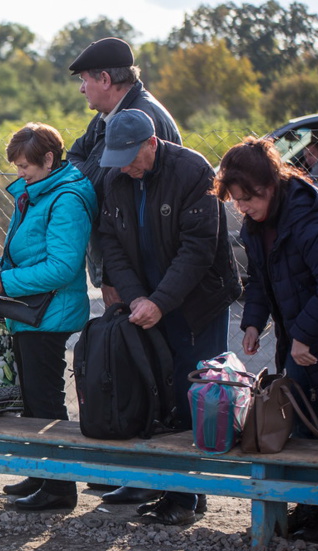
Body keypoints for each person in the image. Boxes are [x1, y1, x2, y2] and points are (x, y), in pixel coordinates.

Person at [98, 109, 241, 524]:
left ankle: (188, 495)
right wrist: (137, 297)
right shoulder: (116, 177)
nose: (125, 165)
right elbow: (112, 244)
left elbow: (198, 250)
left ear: (152, 143)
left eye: (131, 156)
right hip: (148, 302)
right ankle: (175, 490)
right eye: (117, 157)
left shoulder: (192, 171)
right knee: (159, 395)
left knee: (193, 393)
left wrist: (159, 300)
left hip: (197, 304)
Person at [0, 123, 97, 511]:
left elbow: (62, 267)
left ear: (49, 159)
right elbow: (19, 256)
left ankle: (58, 488)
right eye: (17, 165)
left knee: (45, 401)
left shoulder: (66, 198)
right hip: (31, 311)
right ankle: (43, 476)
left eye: (25, 165)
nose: (19, 172)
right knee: (32, 402)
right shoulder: (38, 193)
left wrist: (1, 283)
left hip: (48, 315)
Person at [215, 137, 318, 542]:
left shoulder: (309, 221)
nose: (241, 208)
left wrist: (304, 336)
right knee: (304, 424)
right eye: (237, 201)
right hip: (299, 337)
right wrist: (253, 324)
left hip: (308, 336)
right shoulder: (259, 224)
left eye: (247, 199)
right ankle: (310, 509)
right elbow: (260, 279)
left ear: (269, 187)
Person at [67, 37, 181, 309]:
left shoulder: (137, 118)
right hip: (126, 261)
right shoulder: (109, 115)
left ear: (105, 79)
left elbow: (101, 186)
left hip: (140, 268)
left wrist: (115, 277)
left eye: (84, 80)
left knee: (137, 343)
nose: (82, 89)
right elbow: (73, 157)